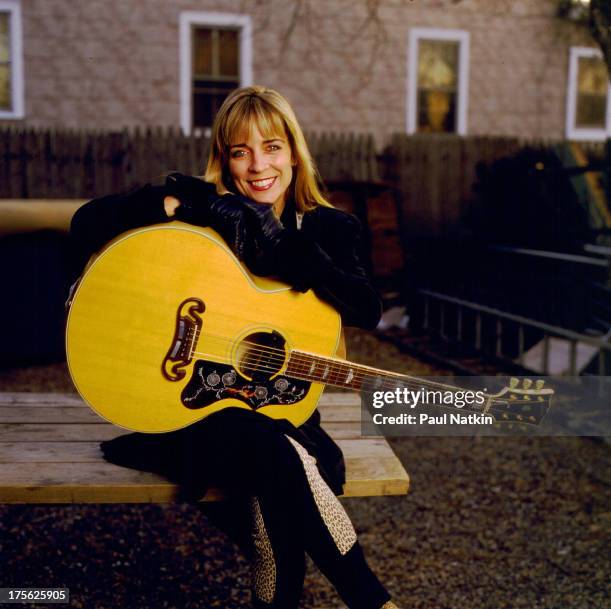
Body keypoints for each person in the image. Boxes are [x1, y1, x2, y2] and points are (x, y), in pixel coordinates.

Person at [68, 85, 400, 609]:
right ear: (224, 159)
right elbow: (84, 224)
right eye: (239, 151)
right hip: (191, 407)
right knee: (276, 454)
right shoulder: (208, 212)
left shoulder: (329, 228)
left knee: (274, 461)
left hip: (280, 409)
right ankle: (372, 600)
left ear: (293, 151)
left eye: (271, 147)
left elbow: (366, 307)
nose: (258, 165)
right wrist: (166, 202)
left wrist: (302, 257)